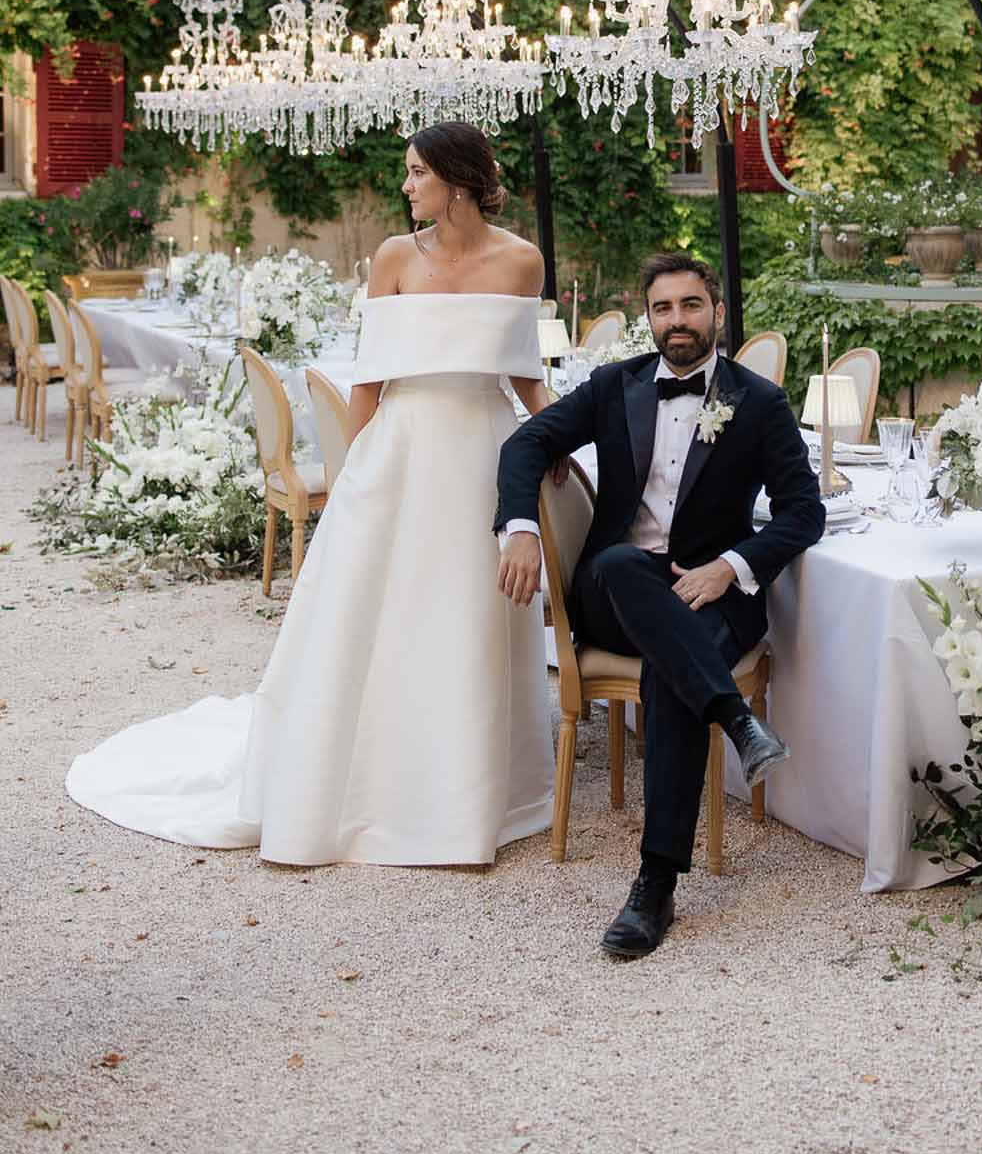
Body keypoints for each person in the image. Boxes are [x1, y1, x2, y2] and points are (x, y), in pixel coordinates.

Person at [66, 122, 556, 867]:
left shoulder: (522, 261)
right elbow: (370, 379)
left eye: (417, 172)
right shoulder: (396, 256)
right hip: (401, 451)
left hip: (484, 452)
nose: (406, 185)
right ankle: (369, 783)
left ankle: (470, 791)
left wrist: (563, 443)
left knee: (465, 614)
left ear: (457, 180)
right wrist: (355, 469)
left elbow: (524, 375)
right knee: (379, 612)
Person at [495, 251, 825, 959]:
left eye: (690, 305)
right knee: (617, 560)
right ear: (648, 317)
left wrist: (729, 566)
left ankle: (654, 884)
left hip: (712, 596)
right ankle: (737, 721)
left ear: (717, 312)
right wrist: (519, 528)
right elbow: (527, 442)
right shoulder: (613, 387)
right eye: (662, 308)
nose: (676, 321)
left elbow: (803, 514)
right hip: (618, 592)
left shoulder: (759, 402)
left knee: (673, 671)